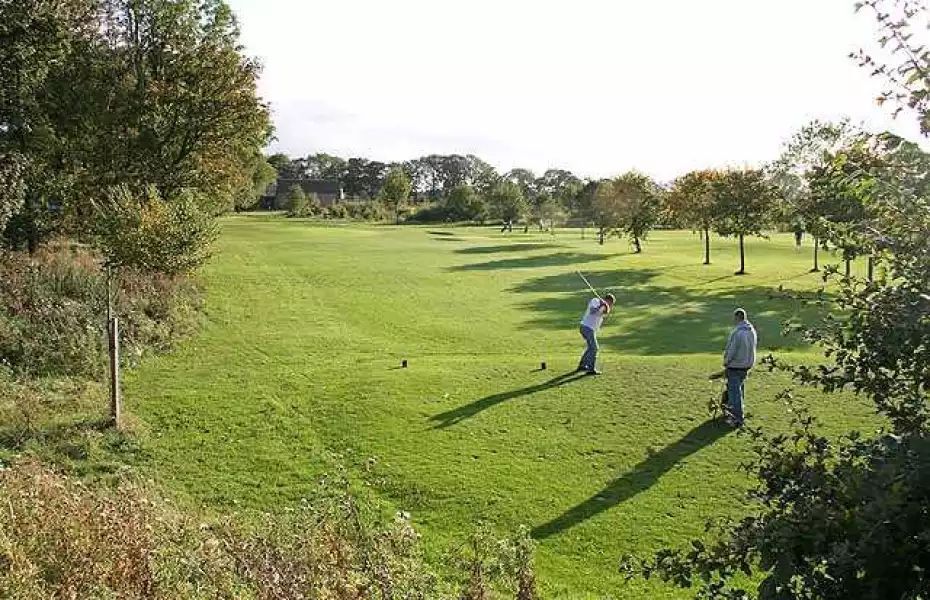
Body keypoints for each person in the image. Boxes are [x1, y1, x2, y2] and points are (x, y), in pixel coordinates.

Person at [722, 308, 757, 427]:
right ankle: (737, 413)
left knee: (734, 393)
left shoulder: (737, 332)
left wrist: (726, 361)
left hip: (735, 365)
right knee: (740, 390)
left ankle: (736, 418)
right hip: (746, 365)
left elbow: (732, 350)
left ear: (737, 317)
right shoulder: (751, 330)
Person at [577, 293, 615, 375]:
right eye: (610, 303)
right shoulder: (595, 301)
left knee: (591, 348)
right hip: (586, 327)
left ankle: (582, 365)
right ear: (607, 300)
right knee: (595, 348)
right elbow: (592, 311)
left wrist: (604, 305)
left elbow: (606, 312)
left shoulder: (604, 306)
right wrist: (600, 305)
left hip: (590, 329)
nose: (610, 305)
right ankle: (591, 369)